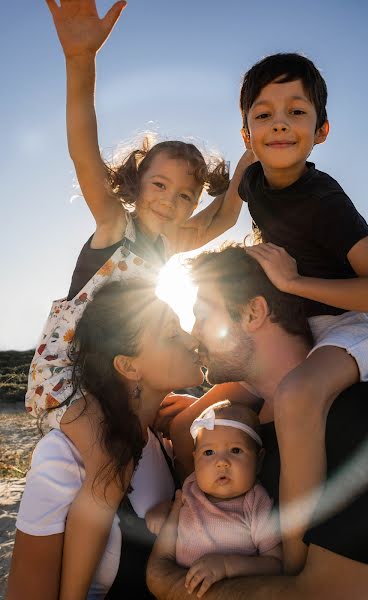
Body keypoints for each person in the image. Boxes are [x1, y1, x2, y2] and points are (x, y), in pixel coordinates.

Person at [24, 1, 252, 597]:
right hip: (71, 371)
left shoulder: (172, 243)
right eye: (159, 185)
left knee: (146, 439)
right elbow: (82, 149)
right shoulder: (113, 226)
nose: (172, 202)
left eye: (185, 194)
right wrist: (81, 62)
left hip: (118, 374)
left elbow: (226, 214)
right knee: (109, 462)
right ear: (134, 183)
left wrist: (252, 150)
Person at [147, 245, 368, 600]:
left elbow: (327, 594)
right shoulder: (230, 429)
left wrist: (167, 583)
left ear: (254, 312)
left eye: (203, 315)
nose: (193, 334)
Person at [235, 52, 368, 571]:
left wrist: (292, 281)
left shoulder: (325, 198)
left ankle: (292, 558)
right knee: (228, 393)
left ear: (321, 130)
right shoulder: (253, 182)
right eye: (263, 114)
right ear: (246, 136)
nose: (279, 122)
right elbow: (216, 218)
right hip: (306, 325)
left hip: (357, 323)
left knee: (298, 396)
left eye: (296, 112)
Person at [8, 279, 204, 599]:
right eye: (172, 333)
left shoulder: (161, 443)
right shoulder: (64, 459)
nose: (192, 340)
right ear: (128, 366)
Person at [147, 401, 281, 598]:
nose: (221, 463)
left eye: (235, 450)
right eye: (208, 452)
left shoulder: (256, 504)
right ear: (195, 460)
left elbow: (275, 563)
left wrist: (227, 566)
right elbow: (178, 510)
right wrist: (161, 511)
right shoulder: (190, 487)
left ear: (258, 460)